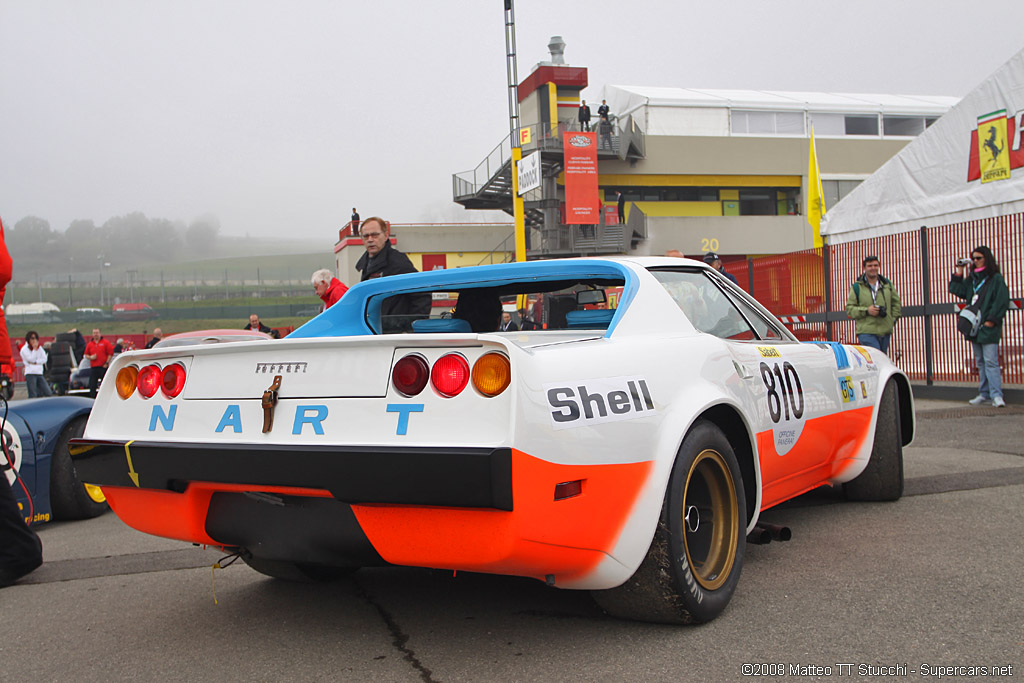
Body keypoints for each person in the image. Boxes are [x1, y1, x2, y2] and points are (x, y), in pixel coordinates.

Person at [949, 245, 1010, 407]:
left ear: (986, 258)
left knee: (991, 361)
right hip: (974, 326)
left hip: (988, 326)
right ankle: (984, 393)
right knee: (980, 362)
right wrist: (959, 271)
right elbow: (956, 289)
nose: (975, 261)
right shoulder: (972, 279)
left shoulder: (995, 278)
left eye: (979, 258)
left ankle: (996, 394)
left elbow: (1001, 300)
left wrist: (992, 320)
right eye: (974, 258)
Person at [355, 217, 431, 329]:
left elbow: (422, 295)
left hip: (395, 334)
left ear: (386, 236)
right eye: (366, 236)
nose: (370, 239)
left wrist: (410, 328)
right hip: (377, 331)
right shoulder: (366, 265)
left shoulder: (398, 262)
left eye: (375, 235)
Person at [845, 255, 901, 353]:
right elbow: (850, 309)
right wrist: (867, 310)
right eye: (870, 266)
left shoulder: (887, 284)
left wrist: (892, 320)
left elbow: (896, 304)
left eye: (875, 265)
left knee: (881, 359)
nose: (873, 268)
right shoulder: (857, 287)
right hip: (866, 331)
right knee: (876, 356)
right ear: (864, 268)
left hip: (885, 330)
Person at [20, 331, 52, 398]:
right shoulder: (24, 349)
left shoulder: (39, 348)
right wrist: (34, 350)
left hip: (39, 372)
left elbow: (44, 359)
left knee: (48, 392)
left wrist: (36, 362)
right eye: (32, 338)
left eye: (35, 338)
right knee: (33, 394)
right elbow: (31, 359)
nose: (34, 340)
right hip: (30, 373)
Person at [84, 328, 114, 398]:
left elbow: (110, 353)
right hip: (94, 367)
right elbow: (86, 354)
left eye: (97, 333)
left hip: (102, 366)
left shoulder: (105, 343)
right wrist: (91, 357)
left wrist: (107, 363)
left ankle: (106, 396)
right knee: (92, 384)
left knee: (105, 383)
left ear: (100, 334)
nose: (95, 335)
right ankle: (93, 397)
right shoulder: (90, 344)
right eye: (94, 333)